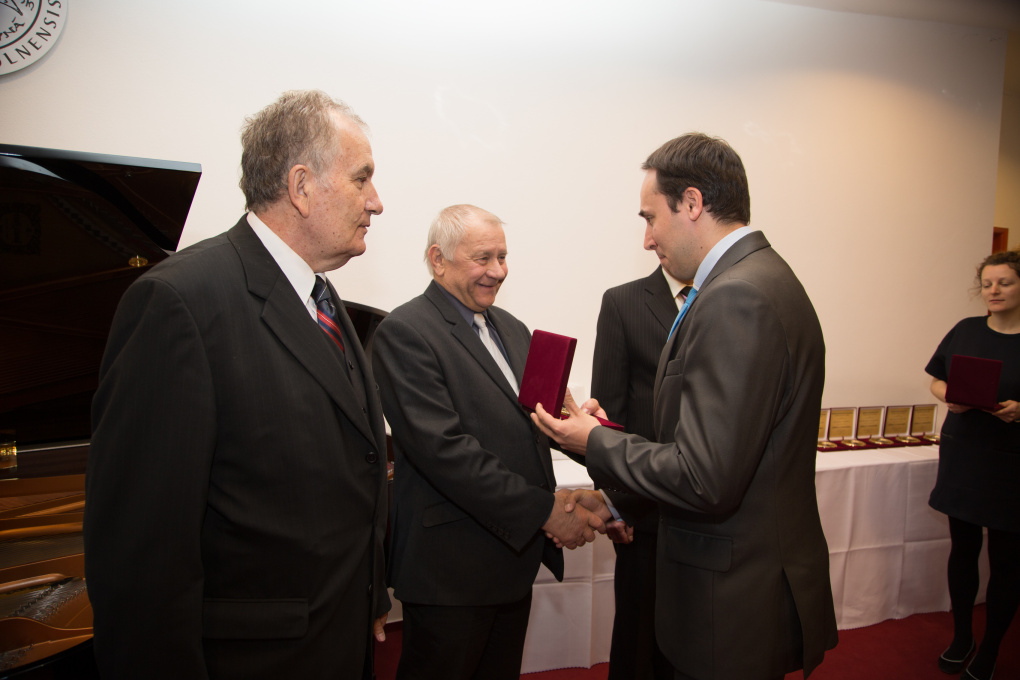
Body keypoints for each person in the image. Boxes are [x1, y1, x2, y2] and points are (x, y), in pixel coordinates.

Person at [84, 90, 390, 680]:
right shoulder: (179, 303)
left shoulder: (321, 295)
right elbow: (142, 557)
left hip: (336, 641)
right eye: (362, 179)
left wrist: (370, 591)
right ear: (301, 186)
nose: (376, 201)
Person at [533, 133, 838, 680]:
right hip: (748, 580)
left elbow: (704, 475)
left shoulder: (735, 296)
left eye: (651, 217)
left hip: (729, 594)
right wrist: (608, 442)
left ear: (692, 203)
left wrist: (593, 440)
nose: (647, 239)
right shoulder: (764, 276)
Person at [372, 204, 605, 680]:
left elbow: (535, 423)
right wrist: (545, 512)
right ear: (438, 259)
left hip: (511, 563)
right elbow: (447, 453)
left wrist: (584, 430)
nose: (498, 271)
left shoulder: (512, 328)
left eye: (502, 256)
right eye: (483, 258)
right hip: (451, 574)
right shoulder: (405, 332)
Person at [591, 265, 691, 680]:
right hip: (645, 514)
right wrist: (616, 505)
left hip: (712, 511)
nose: (649, 239)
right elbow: (609, 417)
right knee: (639, 643)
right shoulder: (624, 302)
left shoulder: (727, 296)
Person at [926, 249, 1020, 680]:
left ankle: (991, 648)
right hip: (964, 455)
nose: (994, 290)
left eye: (1005, 282)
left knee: (1006, 562)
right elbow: (936, 380)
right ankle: (962, 636)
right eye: (987, 284)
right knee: (962, 552)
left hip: (1011, 464)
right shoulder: (965, 329)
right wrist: (950, 396)